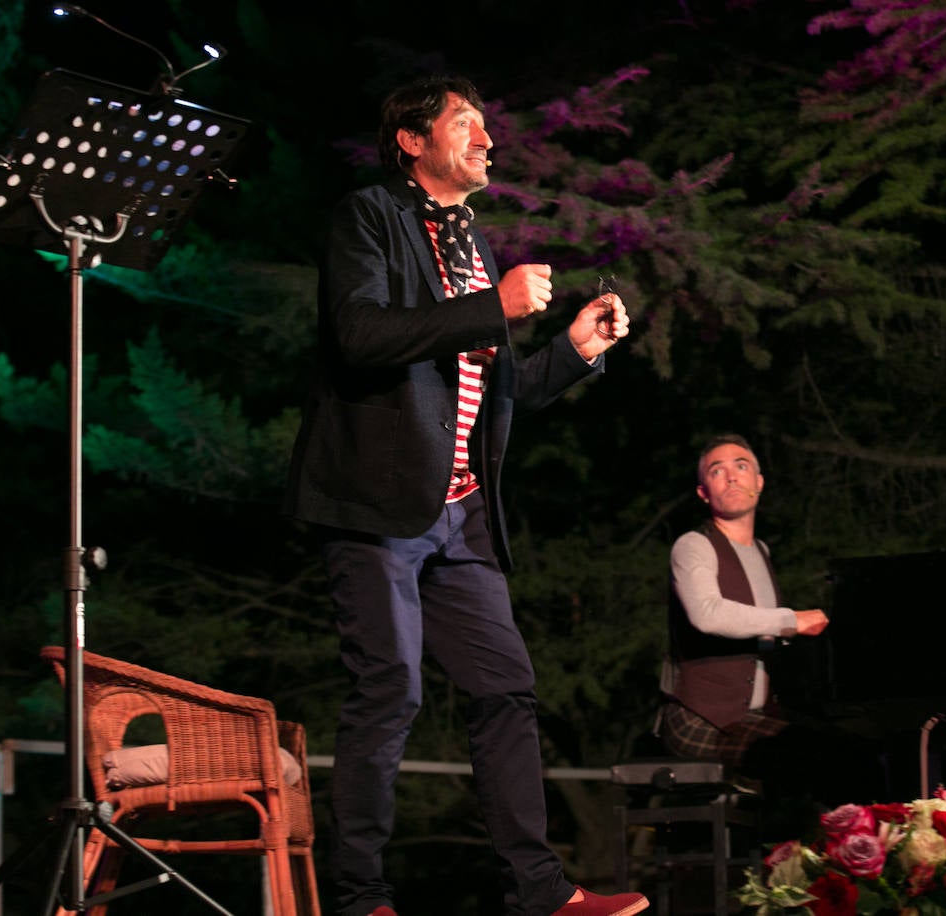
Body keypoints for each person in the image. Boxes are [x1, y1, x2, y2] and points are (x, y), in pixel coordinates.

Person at [283, 75, 647, 916]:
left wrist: (575, 351)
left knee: (505, 687)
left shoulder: (472, 244)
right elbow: (362, 335)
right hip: (376, 505)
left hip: (461, 513)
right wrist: (495, 305)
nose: (488, 142)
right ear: (412, 140)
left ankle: (542, 892)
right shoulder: (368, 215)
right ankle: (359, 897)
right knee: (391, 690)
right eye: (468, 126)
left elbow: (498, 389)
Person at [659, 434, 828, 776]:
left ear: (758, 482)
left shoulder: (761, 551)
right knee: (804, 756)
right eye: (717, 471)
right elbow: (707, 614)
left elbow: (763, 633)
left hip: (754, 715)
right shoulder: (694, 545)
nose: (732, 476)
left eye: (741, 466)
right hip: (700, 717)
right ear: (704, 492)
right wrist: (791, 620)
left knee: (840, 744)